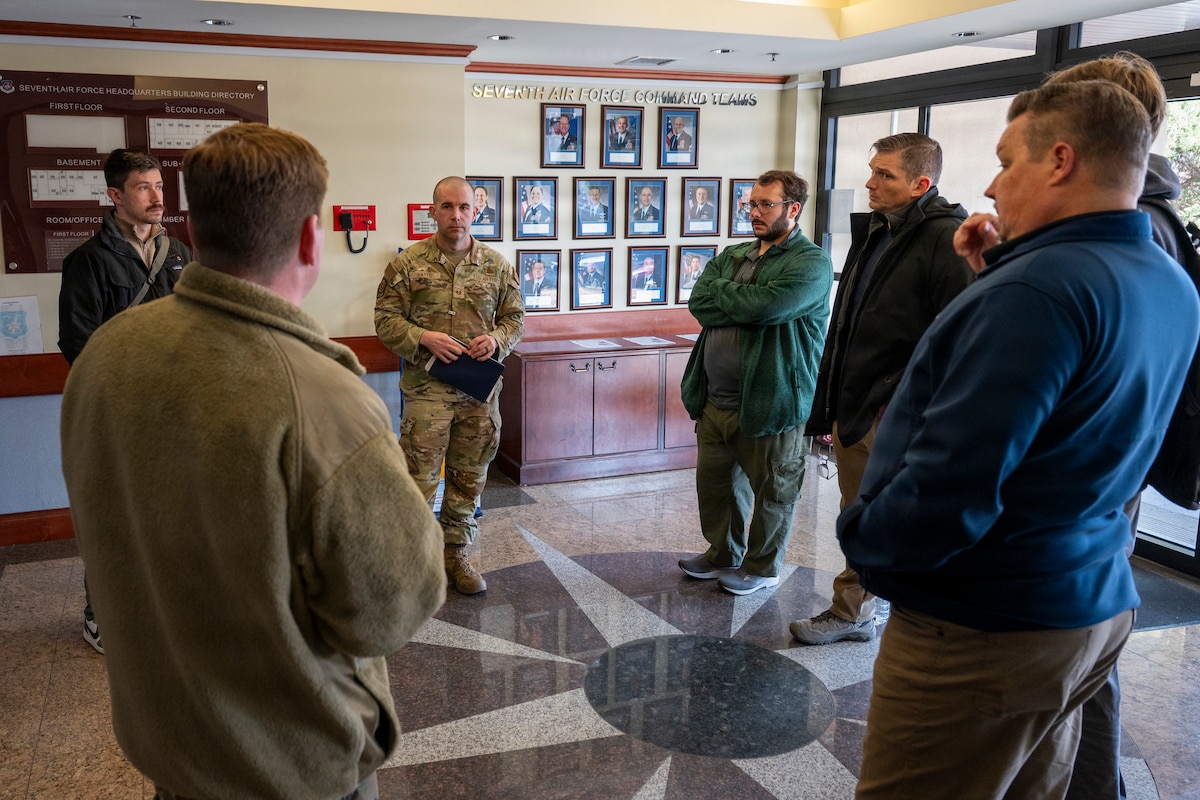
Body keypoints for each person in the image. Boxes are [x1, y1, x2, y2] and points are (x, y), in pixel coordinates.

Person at [59, 122, 446, 800]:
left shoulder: (104, 359)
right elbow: (389, 611)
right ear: (308, 238)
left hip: (172, 743)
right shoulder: (323, 398)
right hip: (288, 762)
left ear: (197, 229)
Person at [842, 81, 1199, 799]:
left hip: (981, 626)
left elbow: (951, 487)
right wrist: (995, 274)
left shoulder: (1035, 293)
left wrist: (868, 546)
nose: (991, 182)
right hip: (1087, 604)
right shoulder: (1168, 278)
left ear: (1060, 160)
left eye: (1007, 161)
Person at [1042, 51, 1190, 800]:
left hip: (1092, 493)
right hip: (1100, 490)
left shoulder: (1139, 234)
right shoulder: (1141, 229)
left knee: (1083, 659)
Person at [791, 132, 973, 646]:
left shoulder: (947, 238)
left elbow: (954, 336)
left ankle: (858, 612)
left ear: (921, 183)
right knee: (861, 513)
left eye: (884, 175)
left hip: (891, 411)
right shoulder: (878, 229)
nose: (870, 182)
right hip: (857, 402)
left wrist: (896, 401)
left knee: (876, 518)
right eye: (872, 170)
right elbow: (849, 322)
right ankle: (865, 606)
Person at [57, 147, 192, 655]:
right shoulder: (86, 262)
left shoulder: (179, 253)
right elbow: (78, 343)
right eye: (144, 187)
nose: (157, 196)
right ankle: (103, 615)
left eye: (159, 186)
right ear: (115, 195)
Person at [678, 169, 833, 595]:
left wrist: (736, 299)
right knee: (716, 487)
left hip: (773, 402)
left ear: (793, 209)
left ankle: (762, 568)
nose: (755, 212)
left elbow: (768, 307)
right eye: (752, 204)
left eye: (767, 204)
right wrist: (743, 302)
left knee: (774, 492)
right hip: (716, 402)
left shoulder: (812, 262)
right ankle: (722, 554)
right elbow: (699, 303)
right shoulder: (732, 255)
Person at [375, 176, 525, 596]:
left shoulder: (497, 266)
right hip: (427, 394)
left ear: (475, 211)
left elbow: (517, 319)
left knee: (468, 478)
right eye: (446, 207)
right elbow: (385, 320)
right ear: (433, 211)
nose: (455, 215)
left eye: (463, 207)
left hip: (478, 396)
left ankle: (456, 555)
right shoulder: (407, 265)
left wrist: (496, 339)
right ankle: (416, 563)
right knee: (419, 479)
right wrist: (423, 338)